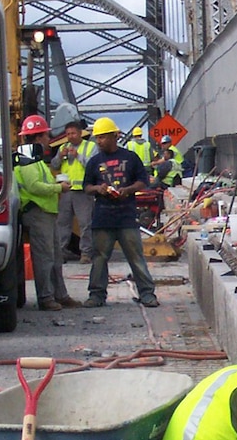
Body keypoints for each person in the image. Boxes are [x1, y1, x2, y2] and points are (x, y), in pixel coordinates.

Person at [82, 116, 159, 308]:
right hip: (103, 218)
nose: (99, 141)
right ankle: (96, 295)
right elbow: (86, 186)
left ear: (113, 136)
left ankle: (147, 294)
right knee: (100, 257)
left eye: (102, 137)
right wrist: (98, 189)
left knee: (136, 256)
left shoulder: (130, 158)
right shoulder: (94, 162)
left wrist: (128, 190)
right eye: (97, 138)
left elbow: (143, 181)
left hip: (126, 217)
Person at [14, 114, 81, 311]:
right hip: (37, 212)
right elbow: (34, 186)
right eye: (45, 136)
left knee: (55, 257)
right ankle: (46, 297)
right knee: (44, 258)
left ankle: (60, 295)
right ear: (38, 137)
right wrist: (59, 188)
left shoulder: (35, 159)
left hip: (46, 212)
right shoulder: (27, 160)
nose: (47, 139)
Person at [50, 120, 97, 264]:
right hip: (66, 191)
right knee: (62, 223)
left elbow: (92, 165)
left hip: (83, 192)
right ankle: (61, 252)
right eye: (68, 134)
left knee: (85, 224)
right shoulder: (63, 147)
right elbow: (54, 165)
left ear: (80, 133)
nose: (70, 136)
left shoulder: (90, 146)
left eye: (73, 133)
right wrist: (60, 156)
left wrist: (78, 156)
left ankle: (86, 253)